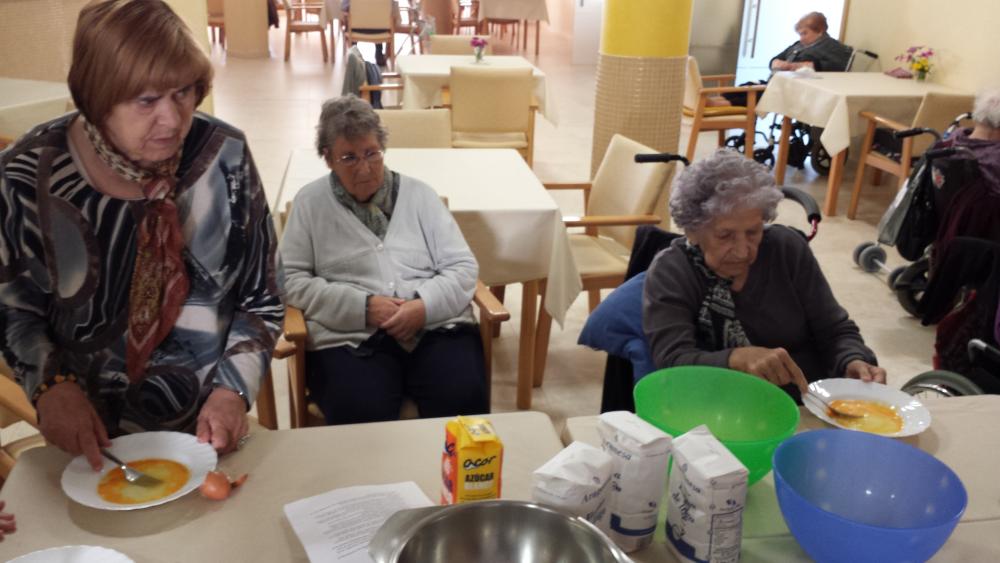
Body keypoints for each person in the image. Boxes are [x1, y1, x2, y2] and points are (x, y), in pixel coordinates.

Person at [0, 0, 284, 472]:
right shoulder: (27, 177)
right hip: (88, 449)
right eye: (146, 101)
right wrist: (50, 387)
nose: (172, 120)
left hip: (207, 437)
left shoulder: (224, 156)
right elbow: (15, 311)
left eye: (183, 92)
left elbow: (262, 297)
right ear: (98, 98)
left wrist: (232, 389)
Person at [280, 95, 488, 424]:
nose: (364, 168)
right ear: (328, 158)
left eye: (371, 153)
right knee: (362, 412)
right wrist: (362, 307)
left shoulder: (421, 195)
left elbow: (462, 268)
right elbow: (290, 280)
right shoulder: (310, 204)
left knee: (462, 398)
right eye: (349, 157)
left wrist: (423, 306)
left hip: (436, 326)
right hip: (348, 338)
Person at [643, 149, 885, 402]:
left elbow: (834, 329)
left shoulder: (787, 249)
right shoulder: (672, 272)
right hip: (720, 405)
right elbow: (671, 362)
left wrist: (852, 359)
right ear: (693, 231)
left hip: (809, 401)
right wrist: (735, 358)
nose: (742, 250)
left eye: (753, 232)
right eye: (725, 236)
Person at [770, 12, 853, 72]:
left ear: (820, 31)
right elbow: (775, 60)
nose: (801, 39)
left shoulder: (834, 47)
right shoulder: (798, 45)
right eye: (800, 34)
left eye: (804, 33)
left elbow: (839, 66)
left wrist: (797, 66)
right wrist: (775, 62)